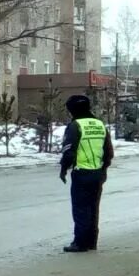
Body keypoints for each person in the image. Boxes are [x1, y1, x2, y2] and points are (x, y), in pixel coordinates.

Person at [59, 94, 114, 253]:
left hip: (81, 173)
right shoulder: (100, 124)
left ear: (73, 110)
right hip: (97, 173)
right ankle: (91, 241)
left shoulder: (75, 126)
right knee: (93, 208)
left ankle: (80, 243)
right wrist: (103, 170)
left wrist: (64, 169)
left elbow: (69, 150)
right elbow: (108, 152)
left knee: (81, 209)